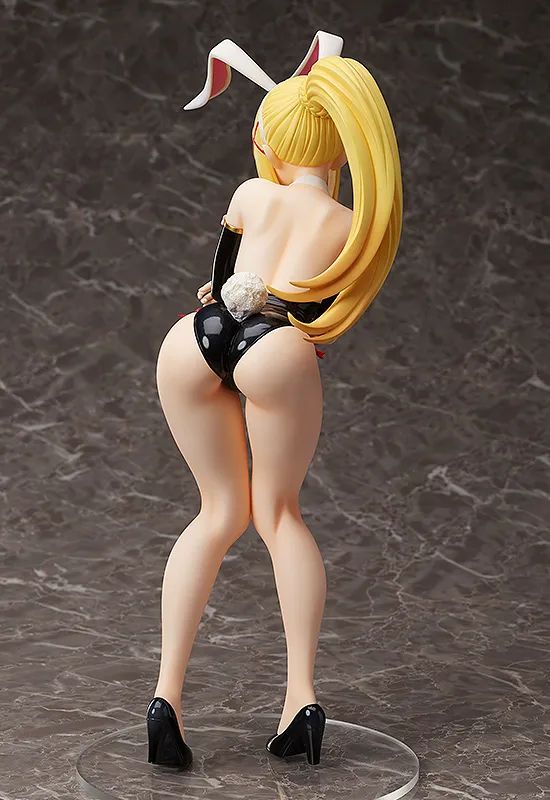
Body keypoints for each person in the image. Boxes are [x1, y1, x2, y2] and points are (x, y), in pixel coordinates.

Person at [145, 31, 403, 769]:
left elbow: (221, 278)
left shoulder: (250, 193)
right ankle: (301, 700)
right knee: (279, 515)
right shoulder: (348, 225)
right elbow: (315, 312)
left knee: (216, 513)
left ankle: (165, 699)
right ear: (342, 146)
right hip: (278, 346)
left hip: (195, 338)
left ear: (272, 141)